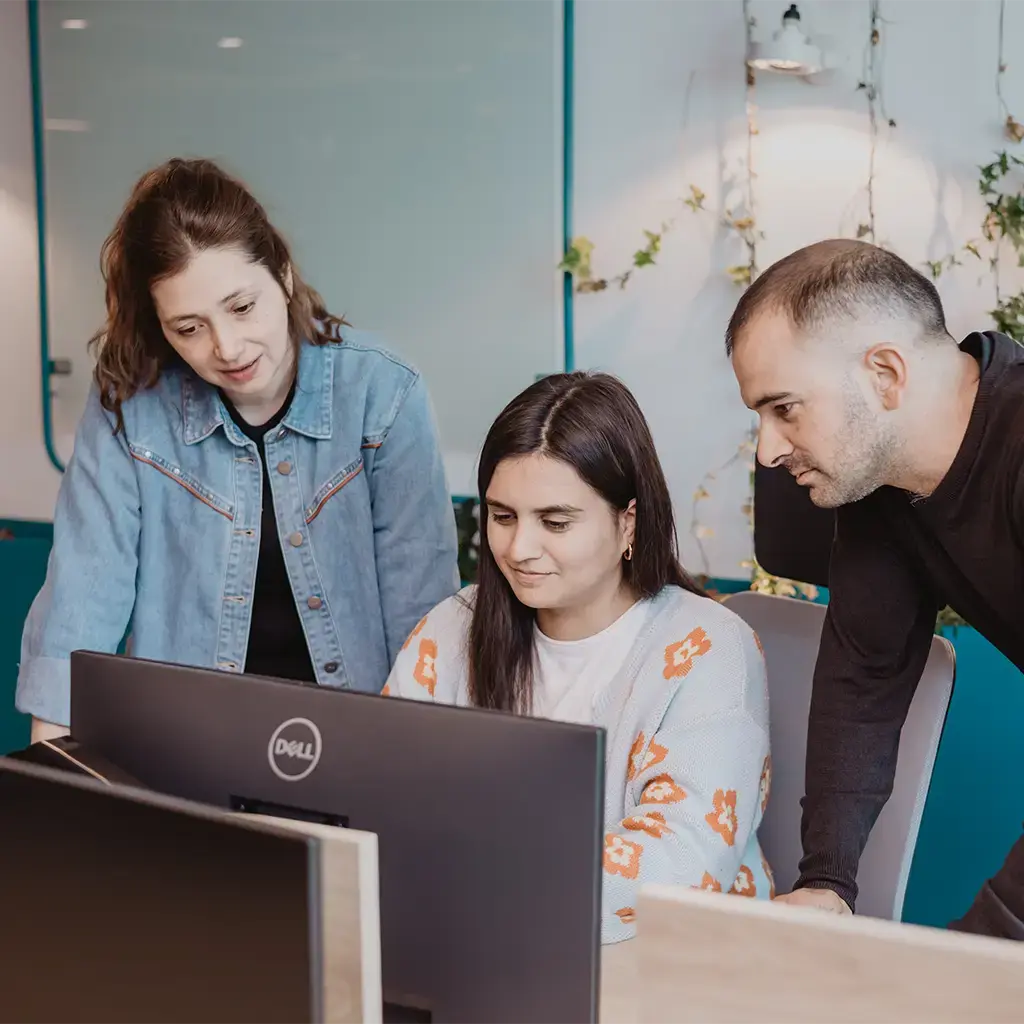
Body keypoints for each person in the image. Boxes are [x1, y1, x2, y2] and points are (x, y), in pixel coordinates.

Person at [17, 158, 459, 742]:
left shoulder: (382, 393)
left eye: (241, 307)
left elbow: (421, 624)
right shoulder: (129, 411)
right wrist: (55, 792)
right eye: (188, 328)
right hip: (187, 752)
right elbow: (78, 615)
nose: (226, 348)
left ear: (283, 274)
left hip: (359, 748)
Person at [383, 371, 774, 943]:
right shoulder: (453, 627)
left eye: (556, 522)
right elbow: (381, 790)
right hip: (475, 944)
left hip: (665, 961)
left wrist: (468, 875)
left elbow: (677, 863)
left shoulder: (708, 650)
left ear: (627, 523)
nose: (519, 550)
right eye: (502, 516)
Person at [727, 237, 1024, 940]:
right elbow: (864, 677)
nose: (767, 450)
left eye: (785, 409)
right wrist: (827, 884)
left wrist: (980, 953)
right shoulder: (881, 490)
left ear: (886, 374)